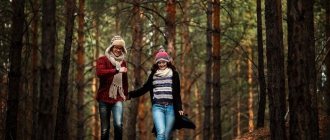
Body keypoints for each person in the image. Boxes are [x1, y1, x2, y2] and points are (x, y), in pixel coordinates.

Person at [128, 48, 184, 140]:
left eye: (163, 62)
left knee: (167, 134)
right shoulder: (153, 75)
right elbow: (144, 88)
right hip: (158, 107)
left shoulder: (174, 74)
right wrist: (130, 94)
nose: (161, 64)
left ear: (167, 62)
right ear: (157, 63)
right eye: (159, 62)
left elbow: (177, 93)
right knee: (161, 132)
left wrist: (179, 108)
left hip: (171, 107)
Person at [96, 35, 128, 140]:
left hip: (117, 98)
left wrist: (126, 94)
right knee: (105, 129)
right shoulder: (102, 59)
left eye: (120, 48)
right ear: (111, 47)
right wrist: (117, 70)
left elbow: (124, 80)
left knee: (118, 125)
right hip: (104, 98)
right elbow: (100, 73)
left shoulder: (123, 62)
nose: (118, 50)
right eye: (116, 47)